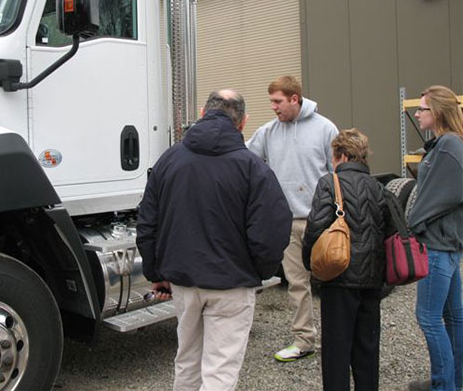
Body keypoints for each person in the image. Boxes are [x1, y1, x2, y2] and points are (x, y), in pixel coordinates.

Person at [137, 89, 292, 391]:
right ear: (243, 122)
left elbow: (148, 221)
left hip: (183, 282)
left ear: (203, 112)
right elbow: (273, 229)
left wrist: (156, 272)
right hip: (231, 284)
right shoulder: (252, 168)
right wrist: (259, 271)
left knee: (187, 363)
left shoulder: (169, 160)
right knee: (219, 371)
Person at [247, 75, 338, 361]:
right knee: (298, 285)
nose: (273, 107)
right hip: (288, 222)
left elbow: (339, 173)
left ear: (295, 99)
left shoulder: (325, 129)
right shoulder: (268, 133)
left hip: (321, 222)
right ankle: (304, 341)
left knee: (334, 282)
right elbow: (243, 158)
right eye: (271, 102)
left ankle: (339, 340)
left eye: (278, 102)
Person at [302, 128, 390, 391]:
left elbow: (315, 228)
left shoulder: (330, 183)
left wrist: (311, 264)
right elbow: (390, 231)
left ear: (340, 155)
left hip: (339, 278)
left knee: (336, 351)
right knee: (367, 348)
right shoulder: (379, 187)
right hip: (372, 280)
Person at [407, 86, 463, 391]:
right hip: (447, 246)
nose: (417, 114)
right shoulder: (444, 144)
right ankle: (453, 382)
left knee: (428, 318)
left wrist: (413, 222)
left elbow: (449, 193)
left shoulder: (449, 146)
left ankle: (444, 385)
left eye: (422, 109)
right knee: (454, 318)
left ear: (438, 112)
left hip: (439, 247)